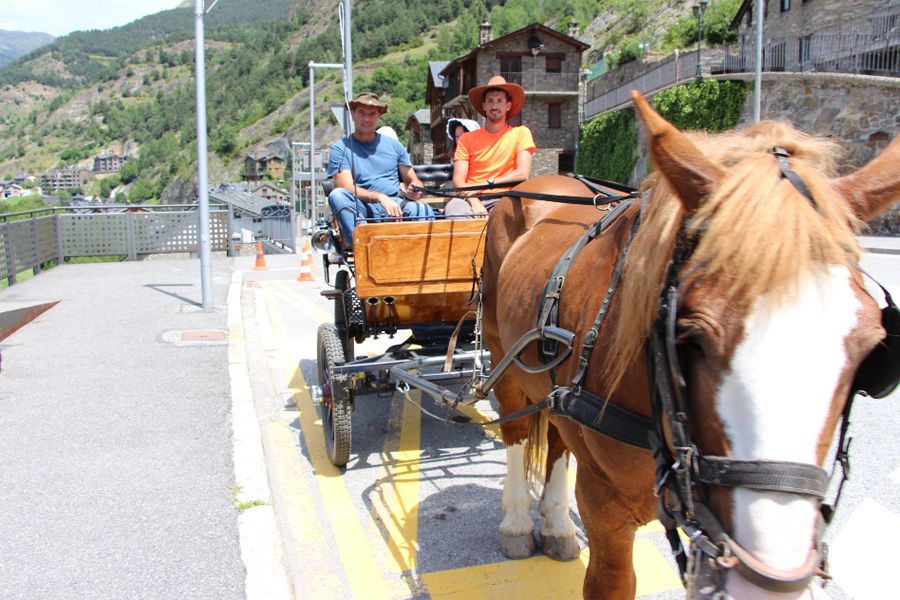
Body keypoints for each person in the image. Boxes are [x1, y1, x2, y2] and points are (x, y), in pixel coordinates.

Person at [327, 92, 434, 247]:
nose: (367, 119)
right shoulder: (340, 148)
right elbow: (346, 186)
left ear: (378, 116)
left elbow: (412, 179)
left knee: (421, 208)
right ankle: (365, 246)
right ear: (353, 114)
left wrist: (415, 189)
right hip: (361, 208)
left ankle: (426, 261)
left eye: (372, 114)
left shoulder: (394, 145)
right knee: (337, 195)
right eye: (362, 113)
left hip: (396, 205)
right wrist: (380, 197)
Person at [447, 75, 536, 216]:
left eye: (499, 101)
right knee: (455, 211)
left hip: (505, 196)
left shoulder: (521, 133)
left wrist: (487, 183)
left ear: (508, 106)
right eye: (490, 101)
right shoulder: (467, 139)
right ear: (484, 106)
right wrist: (474, 201)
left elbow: (522, 173)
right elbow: (458, 179)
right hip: (469, 197)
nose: (494, 106)